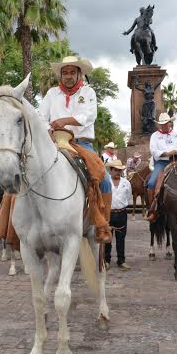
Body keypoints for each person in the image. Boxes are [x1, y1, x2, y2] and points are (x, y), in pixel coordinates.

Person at [38, 55, 112, 243]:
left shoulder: (88, 92)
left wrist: (64, 121)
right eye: (65, 73)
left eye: (72, 72)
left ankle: (102, 225)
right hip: (53, 142)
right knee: (26, 172)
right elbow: (40, 117)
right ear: (60, 75)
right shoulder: (52, 93)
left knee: (104, 179)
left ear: (79, 74)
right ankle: (13, 227)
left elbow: (88, 116)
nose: (68, 76)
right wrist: (48, 130)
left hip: (81, 143)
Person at [147, 113, 177, 221]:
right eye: (161, 124)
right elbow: (154, 151)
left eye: (165, 124)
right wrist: (168, 153)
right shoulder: (155, 135)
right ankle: (152, 209)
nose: (163, 126)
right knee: (151, 183)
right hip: (161, 163)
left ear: (170, 123)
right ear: (159, 125)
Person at [104, 160, 132, 271]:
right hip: (108, 213)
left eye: (120, 170)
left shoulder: (126, 183)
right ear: (110, 171)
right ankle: (106, 260)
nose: (118, 172)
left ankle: (121, 260)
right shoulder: (105, 182)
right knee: (107, 238)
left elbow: (128, 196)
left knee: (121, 238)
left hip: (121, 213)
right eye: (115, 170)